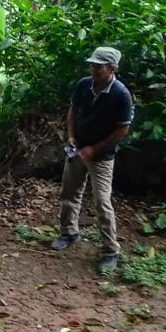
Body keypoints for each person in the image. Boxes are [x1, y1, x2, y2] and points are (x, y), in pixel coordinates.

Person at [51, 46, 133, 274]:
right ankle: (69, 233)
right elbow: (73, 110)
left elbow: (122, 130)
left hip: (102, 156)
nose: (93, 70)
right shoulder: (83, 85)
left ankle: (110, 250)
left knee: (102, 202)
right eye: (92, 65)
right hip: (77, 149)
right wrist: (71, 136)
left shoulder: (121, 95)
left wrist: (95, 150)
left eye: (99, 67)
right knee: (69, 192)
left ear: (112, 68)